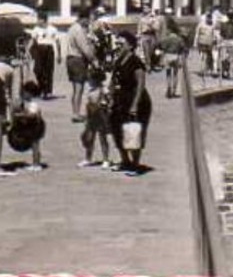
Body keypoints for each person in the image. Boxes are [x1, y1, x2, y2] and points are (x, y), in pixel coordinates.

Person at [109, 32, 153, 176]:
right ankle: (125, 161)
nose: (118, 46)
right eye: (117, 44)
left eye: (121, 44)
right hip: (120, 101)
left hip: (137, 101)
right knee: (117, 131)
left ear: (130, 46)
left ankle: (135, 165)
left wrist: (135, 104)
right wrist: (109, 97)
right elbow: (113, 81)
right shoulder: (118, 60)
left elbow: (141, 83)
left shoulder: (135, 61)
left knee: (134, 132)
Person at [6, 79, 47, 172]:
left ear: (29, 93)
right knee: (34, 145)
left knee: (35, 145)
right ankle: (36, 163)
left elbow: (32, 115)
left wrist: (20, 115)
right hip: (34, 126)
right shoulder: (29, 102)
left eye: (24, 92)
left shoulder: (33, 104)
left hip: (36, 127)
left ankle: (36, 164)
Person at [64, 9, 97, 121]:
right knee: (79, 88)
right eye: (88, 20)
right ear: (84, 18)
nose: (89, 22)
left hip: (70, 58)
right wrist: (94, 60)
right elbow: (85, 49)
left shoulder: (72, 28)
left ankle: (75, 111)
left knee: (75, 88)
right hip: (78, 60)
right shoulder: (79, 31)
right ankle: (76, 113)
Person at [79, 79, 113, 169]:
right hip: (91, 115)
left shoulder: (103, 90)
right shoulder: (90, 89)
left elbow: (109, 101)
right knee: (90, 137)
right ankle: (88, 158)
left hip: (101, 115)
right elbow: (87, 103)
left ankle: (106, 159)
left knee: (102, 138)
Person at [28, 11, 59, 99]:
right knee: (38, 70)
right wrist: (28, 51)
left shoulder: (52, 29)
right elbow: (33, 40)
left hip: (49, 49)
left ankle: (47, 91)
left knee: (48, 71)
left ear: (43, 20)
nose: (37, 21)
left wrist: (59, 55)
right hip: (39, 49)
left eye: (39, 19)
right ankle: (42, 87)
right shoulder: (36, 29)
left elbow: (57, 42)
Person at [159, 18, 187, 98]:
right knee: (175, 74)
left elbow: (162, 47)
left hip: (168, 56)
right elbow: (183, 48)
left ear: (169, 31)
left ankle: (169, 86)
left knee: (168, 74)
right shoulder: (179, 39)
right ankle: (174, 90)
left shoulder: (166, 39)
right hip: (176, 56)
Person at [193, 11, 219, 81]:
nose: (209, 19)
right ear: (206, 18)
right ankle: (202, 70)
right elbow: (197, 34)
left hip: (210, 44)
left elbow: (215, 34)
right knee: (202, 57)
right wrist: (195, 43)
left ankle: (213, 70)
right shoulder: (201, 25)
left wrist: (216, 40)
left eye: (210, 18)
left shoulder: (213, 25)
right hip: (202, 43)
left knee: (212, 57)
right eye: (208, 18)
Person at [137, 5, 162, 72]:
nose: (144, 9)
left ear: (149, 9)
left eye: (146, 8)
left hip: (152, 35)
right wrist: (139, 36)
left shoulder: (154, 17)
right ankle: (148, 66)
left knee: (151, 50)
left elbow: (157, 27)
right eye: (144, 8)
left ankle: (151, 64)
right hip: (144, 35)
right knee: (146, 51)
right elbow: (139, 27)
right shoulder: (141, 18)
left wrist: (151, 24)